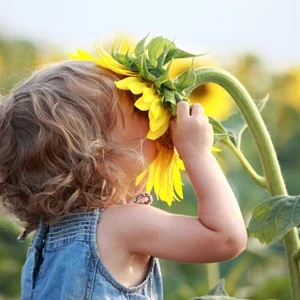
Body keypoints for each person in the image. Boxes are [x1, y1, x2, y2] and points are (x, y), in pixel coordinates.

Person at [0, 60, 247, 300]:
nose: (153, 119)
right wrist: (197, 153)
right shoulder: (122, 225)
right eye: (138, 110)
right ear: (102, 158)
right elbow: (226, 238)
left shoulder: (48, 235)